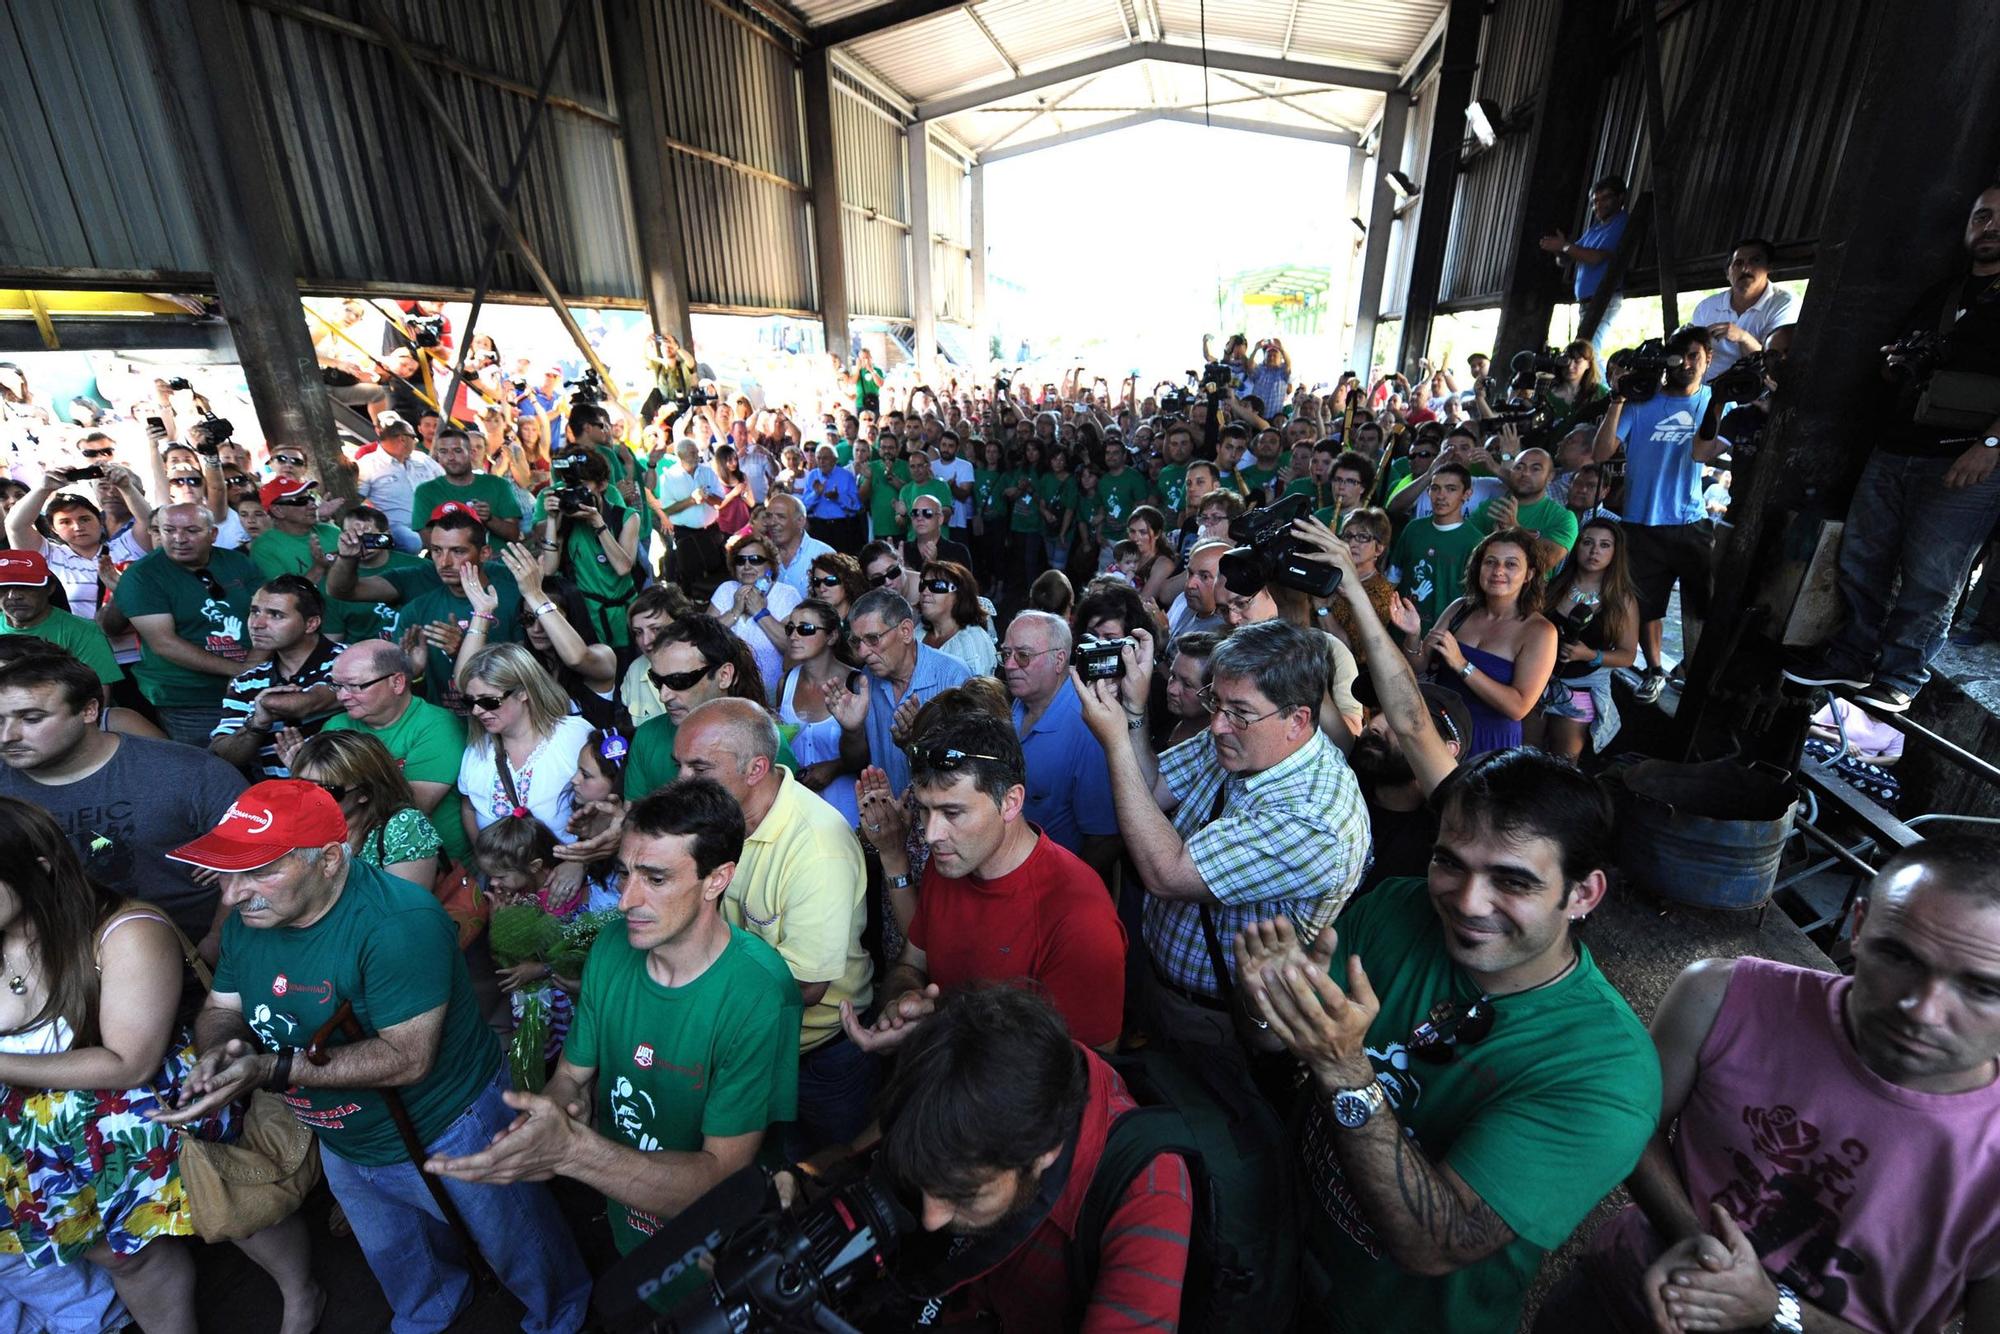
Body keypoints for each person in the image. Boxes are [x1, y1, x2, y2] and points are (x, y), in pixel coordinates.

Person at [1239, 748, 1659, 1334]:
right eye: (1451, 863)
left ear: (1583, 894)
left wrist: (1343, 1069)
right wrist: (1270, 1007)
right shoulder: (1397, 908)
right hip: (1278, 1260)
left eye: (1511, 881)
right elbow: (1274, 1044)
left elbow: (1438, 1244)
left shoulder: (1605, 1071)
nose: (1466, 902)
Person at [158, 779, 592, 1333]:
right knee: (398, 1252)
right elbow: (222, 1004)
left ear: (330, 860)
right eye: (229, 871)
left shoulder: (397, 924)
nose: (233, 895)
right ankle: (429, 1312)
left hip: (448, 1121)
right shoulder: (252, 920)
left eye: (260, 870)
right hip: (342, 1132)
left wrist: (270, 1068)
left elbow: (409, 1058)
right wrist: (223, 1048)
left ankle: (562, 1317)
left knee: (519, 1242)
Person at [1538, 836, 2000, 1334]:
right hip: (1612, 1299)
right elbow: (1633, 1126)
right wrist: (1690, 1236)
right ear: (1860, 926)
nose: (1923, 1011)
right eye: (1900, 958)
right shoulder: (1718, 995)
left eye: (1982, 988)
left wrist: (1774, 1310)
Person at [422, 781, 800, 1308]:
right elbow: (573, 1075)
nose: (626, 900)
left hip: (721, 1255)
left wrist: (574, 1151)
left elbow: (721, 1177)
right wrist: (547, 1117)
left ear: (718, 879)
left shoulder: (758, 992)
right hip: (631, 1231)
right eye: (625, 873)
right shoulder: (610, 951)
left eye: (657, 878)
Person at [0, 797, 320, 1334]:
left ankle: (301, 1293)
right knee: (124, 1254)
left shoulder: (125, 930)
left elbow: (129, 1063)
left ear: (39, 869)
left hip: (156, 1112)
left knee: (234, 1210)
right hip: (48, 1142)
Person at [1073, 620, 1369, 1050]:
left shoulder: (1314, 818)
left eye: (1239, 712)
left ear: (1298, 720)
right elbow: (1152, 791)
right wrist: (1135, 713)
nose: (1216, 726)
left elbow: (1167, 875)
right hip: (1165, 988)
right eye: (1216, 702)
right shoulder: (1243, 739)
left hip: (1221, 1020)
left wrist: (1116, 740)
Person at [1785, 184, 2000, 714]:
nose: (1989, 227)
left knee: (1933, 573)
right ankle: (1853, 655)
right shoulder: (1942, 295)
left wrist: (1991, 443)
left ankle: (1902, 673)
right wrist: (1896, 362)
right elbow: (1895, 363)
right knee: (1863, 558)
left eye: (1999, 219)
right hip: (1896, 446)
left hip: (1966, 457)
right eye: (1982, 216)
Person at [844, 713, 1126, 1054]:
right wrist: (903, 1004)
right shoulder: (950, 863)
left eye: (952, 813)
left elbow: (1088, 1074)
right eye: (924, 810)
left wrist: (944, 1031)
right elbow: (911, 963)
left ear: (1010, 802)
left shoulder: (1080, 915)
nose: (932, 834)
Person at [673, 699, 873, 1148]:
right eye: (679, 765)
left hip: (821, 1055)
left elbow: (804, 986)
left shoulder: (818, 849)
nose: (681, 782)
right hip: (756, 1044)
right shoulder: (717, 819)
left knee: (826, 1171)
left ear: (756, 768)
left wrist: (691, 999)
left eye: (699, 768)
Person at [0, 643, 244, 952]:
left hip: (190, 959)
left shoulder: (192, 772)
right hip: (47, 964)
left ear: (89, 710)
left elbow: (263, 860)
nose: (8, 736)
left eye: (32, 719)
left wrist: (218, 941)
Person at [1594, 323, 1723, 704]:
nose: (1684, 364)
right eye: (1678, 356)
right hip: (1640, 521)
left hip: (1689, 520)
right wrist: (1617, 399)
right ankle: (1655, 670)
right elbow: (1602, 453)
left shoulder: (1716, 400)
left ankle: (1698, 671)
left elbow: (1711, 448)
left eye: (1694, 356)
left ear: (1708, 359)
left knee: (1703, 601)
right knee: (1648, 603)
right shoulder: (1641, 402)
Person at [327, 503, 522, 714]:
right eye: (437, 550)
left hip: (505, 715)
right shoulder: (415, 608)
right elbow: (342, 590)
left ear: (484, 553)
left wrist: (462, 652)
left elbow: (527, 674)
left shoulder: (510, 593)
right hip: (442, 722)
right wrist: (413, 672)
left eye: (458, 551)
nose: (445, 562)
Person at [315, 638, 476, 868]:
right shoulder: (335, 726)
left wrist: (336, 790)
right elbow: (317, 803)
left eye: (354, 686)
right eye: (337, 686)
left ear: (397, 682)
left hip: (434, 866)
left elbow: (411, 805)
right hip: (351, 862)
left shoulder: (437, 725)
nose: (341, 696)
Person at [110, 502, 261, 744]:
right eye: (168, 530)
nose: (179, 539)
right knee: (209, 769)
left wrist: (257, 664)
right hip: (190, 698)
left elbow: (268, 615)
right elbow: (164, 643)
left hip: (254, 687)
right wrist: (242, 671)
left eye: (191, 530)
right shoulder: (142, 575)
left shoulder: (238, 563)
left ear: (213, 534)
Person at [1405, 528, 1559, 753]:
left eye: (1511, 564)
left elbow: (1518, 707)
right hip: (1441, 730)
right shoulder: (1460, 608)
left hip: (1490, 742)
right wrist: (1413, 633)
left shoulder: (1541, 631)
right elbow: (1419, 664)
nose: (1498, 570)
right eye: (1490, 562)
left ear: (1529, 575)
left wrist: (1462, 665)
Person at [995, 610, 1122, 877]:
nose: (1009, 665)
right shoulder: (1018, 703)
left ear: (1059, 659)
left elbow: (1104, 839)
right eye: (1006, 654)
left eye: (1023, 656)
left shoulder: (1087, 727)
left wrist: (1062, 891)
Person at [817, 589, 971, 794]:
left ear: (906, 631)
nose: (862, 652)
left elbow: (967, 766)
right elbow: (855, 763)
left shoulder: (953, 676)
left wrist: (916, 744)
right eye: (856, 642)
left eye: (873, 639)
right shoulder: (864, 682)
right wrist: (852, 730)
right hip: (887, 816)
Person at [623, 614, 794, 799]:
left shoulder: (766, 743)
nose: (664, 695)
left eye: (679, 680)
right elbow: (634, 817)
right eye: (657, 680)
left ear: (724, 675)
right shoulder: (647, 736)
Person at [455, 642, 592, 852]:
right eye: (470, 702)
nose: (476, 711)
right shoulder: (477, 750)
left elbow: (605, 804)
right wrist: (488, 864)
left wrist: (580, 863)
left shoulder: (574, 736)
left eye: (489, 701)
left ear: (523, 692)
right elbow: (469, 807)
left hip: (568, 876)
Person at [209, 575, 343, 780]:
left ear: (311, 623)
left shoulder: (347, 661)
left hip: (345, 794)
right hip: (279, 800)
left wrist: (267, 703)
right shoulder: (246, 681)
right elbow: (222, 756)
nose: (257, 624)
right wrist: (256, 724)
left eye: (276, 615)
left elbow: (309, 703)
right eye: (254, 612)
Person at [290, 729, 442, 890]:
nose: (311, 798)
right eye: (303, 786)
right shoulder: (295, 822)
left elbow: (408, 907)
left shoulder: (403, 826)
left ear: (365, 792)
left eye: (328, 790)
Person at [1541, 518, 1640, 759]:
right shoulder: (1554, 586)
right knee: (1523, 753)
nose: (1595, 551)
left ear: (1615, 553)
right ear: (1577, 547)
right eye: (1588, 542)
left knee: (1563, 764)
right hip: (1538, 683)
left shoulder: (1622, 600)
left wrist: (1590, 655)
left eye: (1605, 545)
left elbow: (1628, 655)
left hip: (1582, 689)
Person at [0, 548, 123, 690]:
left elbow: (98, 694)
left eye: (26, 587)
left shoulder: (84, 632)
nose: (13, 596)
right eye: (3, 588)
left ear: (50, 588)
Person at [1540, 175, 1633, 354]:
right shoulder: (1595, 229)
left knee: (1589, 354)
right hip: (1587, 303)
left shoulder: (1622, 222)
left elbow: (1595, 258)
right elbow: (1566, 260)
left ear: (1620, 198)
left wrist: (1565, 246)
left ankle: (1602, 383)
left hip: (1604, 299)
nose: (1598, 204)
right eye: (1595, 201)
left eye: (1605, 198)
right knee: (1584, 353)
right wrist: (1559, 250)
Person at [1388, 463, 1485, 632]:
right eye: (1435, 488)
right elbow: (1393, 578)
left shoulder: (1476, 541)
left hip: (1445, 635)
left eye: (1451, 489)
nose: (1441, 496)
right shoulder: (1413, 529)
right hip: (1402, 628)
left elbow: (1475, 598)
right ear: (1428, 492)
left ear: (1467, 494)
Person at [709, 530, 801, 705]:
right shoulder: (726, 589)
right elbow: (702, 638)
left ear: (770, 565)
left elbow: (792, 646)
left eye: (756, 560)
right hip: (727, 693)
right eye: (740, 560)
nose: (747, 566)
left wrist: (760, 613)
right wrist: (734, 612)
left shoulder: (786, 594)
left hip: (771, 694)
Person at [1692, 237, 1798, 383]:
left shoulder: (1783, 303)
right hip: (1708, 394)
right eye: (1738, 263)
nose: (1745, 269)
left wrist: (1743, 337)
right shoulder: (1706, 307)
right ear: (1728, 274)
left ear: (1769, 267)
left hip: (1756, 398)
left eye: (1755, 261)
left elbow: (1774, 365)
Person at [410, 426, 524, 546]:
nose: (450, 457)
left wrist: (489, 519)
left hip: (497, 560)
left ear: (471, 453)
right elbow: (426, 538)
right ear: (437, 455)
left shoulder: (498, 484)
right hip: (450, 563)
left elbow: (514, 535)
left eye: (457, 450)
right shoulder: (426, 491)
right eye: (443, 452)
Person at [1469, 447, 1579, 570]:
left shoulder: (1563, 518)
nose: (1525, 473)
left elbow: (1546, 562)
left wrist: (1515, 530)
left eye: (1535, 469)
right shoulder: (1491, 507)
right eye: (1519, 467)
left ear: (1550, 477)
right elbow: (1464, 550)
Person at [355, 414, 445, 553]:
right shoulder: (368, 464)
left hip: (432, 523)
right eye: (414, 438)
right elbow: (356, 501)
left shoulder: (422, 459)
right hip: (394, 528)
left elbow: (445, 483)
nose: (416, 442)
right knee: (411, 541)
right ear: (403, 439)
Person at [652, 438, 726, 601]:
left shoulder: (707, 472)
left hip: (710, 531)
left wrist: (706, 497)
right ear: (680, 454)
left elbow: (721, 501)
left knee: (718, 571)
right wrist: (691, 500)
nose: (697, 455)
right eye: (692, 452)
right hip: (686, 533)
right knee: (690, 576)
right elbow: (668, 509)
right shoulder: (669, 477)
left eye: (696, 451)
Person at [916, 559, 997, 677]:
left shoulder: (974, 641)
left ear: (960, 595)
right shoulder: (917, 632)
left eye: (937, 585)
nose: (925, 591)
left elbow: (978, 694)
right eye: (923, 585)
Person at [758, 492, 834, 602]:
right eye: (769, 516)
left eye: (781, 516)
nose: (772, 523)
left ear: (800, 521)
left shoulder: (823, 554)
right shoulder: (761, 554)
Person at [1164, 538, 1229, 639]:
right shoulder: (1188, 608)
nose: (1190, 584)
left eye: (1204, 577)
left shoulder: (1223, 634)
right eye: (1190, 573)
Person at [801, 442, 863, 551]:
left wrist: (838, 498)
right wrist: (816, 494)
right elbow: (804, 506)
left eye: (825, 458)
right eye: (819, 458)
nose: (821, 462)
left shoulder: (846, 476)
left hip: (841, 527)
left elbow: (856, 505)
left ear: (835, 460)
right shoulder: (812, 476)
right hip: (819, 526)